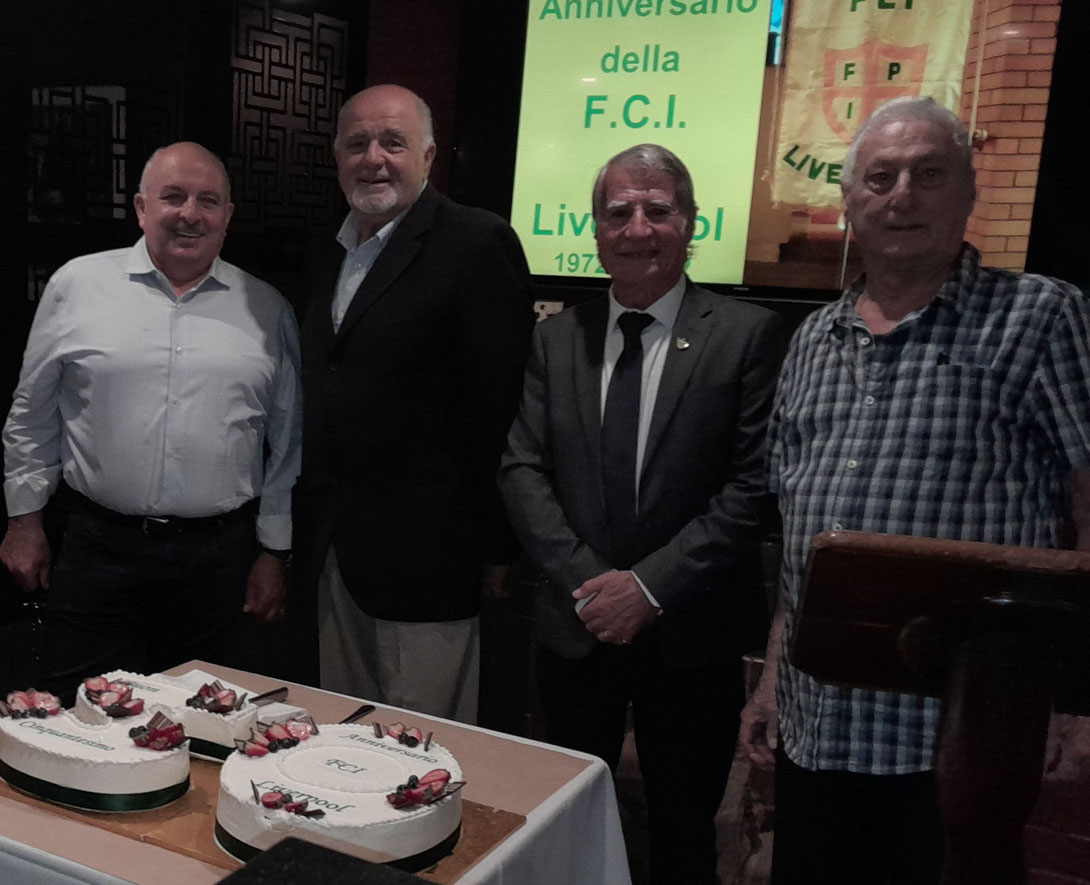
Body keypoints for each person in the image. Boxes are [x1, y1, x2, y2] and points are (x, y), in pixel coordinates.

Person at [739, 96, 1090, 884]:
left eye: (928, 174)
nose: (902, 196)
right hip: (817, 728)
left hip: (959, 738)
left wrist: (1076, 698)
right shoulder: (813, 341)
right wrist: (769, 684)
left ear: (968, 192)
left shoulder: (1040, 316)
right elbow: (801, 547)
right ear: (849, 203)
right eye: (881, 177)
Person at [498, 143, 783, 883]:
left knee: (685, 833)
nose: (637, 228)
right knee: (565, 820)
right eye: (618, 212)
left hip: (690, 633)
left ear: (691, 224)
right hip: (577, 628)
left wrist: (648, 588)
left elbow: (752, 488)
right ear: (595, 229)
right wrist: (593, 586)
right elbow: (523, 468)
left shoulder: (745, 334)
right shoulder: (555, 336)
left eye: (658, 210)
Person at [1, 142, 302, 701]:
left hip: (218, 560)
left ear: (228, 216)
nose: (190, 214)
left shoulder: (267, 308)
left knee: (203, 719)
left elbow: (287, 441)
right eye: (173, 197)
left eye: (208, 201)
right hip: (99, 548)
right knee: (78, 712)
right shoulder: (77, 285)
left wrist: (274, 552)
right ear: (141, 208)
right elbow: (32, 412)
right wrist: (24, 522)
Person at [296, 84, 533, 724]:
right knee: (342, 739)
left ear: (428, 156)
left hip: (432, 557)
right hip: (334, 551)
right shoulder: (327, 251)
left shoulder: (476, 243)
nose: (373, 158)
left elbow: (499, 408)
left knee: (418, 748)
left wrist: (498, 547)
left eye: (392, 142)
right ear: (337, 157)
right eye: (357, 144)